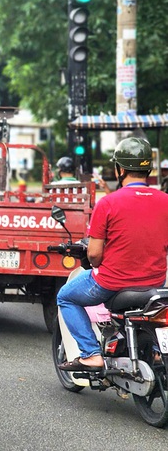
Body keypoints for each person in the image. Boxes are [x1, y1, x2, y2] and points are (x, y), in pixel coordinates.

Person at [57, 137, 168, 371]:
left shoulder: (108, 203)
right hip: (156, 283)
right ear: (148, 169)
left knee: (65, 297)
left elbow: (95, 256)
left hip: (112, 283)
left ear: (119, 169)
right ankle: (158, 352)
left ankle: (91, 354)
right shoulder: (165, 201)